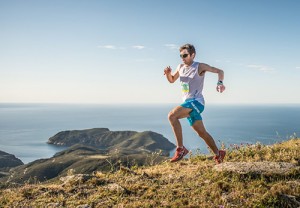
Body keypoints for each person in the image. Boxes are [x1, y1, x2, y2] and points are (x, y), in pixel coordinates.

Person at [164, 43, 226, 164]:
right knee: (201, 133)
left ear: (193, 55)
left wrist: (220, 83)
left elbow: (220, 71)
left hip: (197, 102)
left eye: (185, 55)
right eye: (181, 55)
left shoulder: (200, 66)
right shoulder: (180, 67)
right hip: (187, 102)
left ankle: (180, 149)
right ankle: (219, 154)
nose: (183, 57)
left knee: (172, 115)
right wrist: (167, 73)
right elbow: (172, 80)